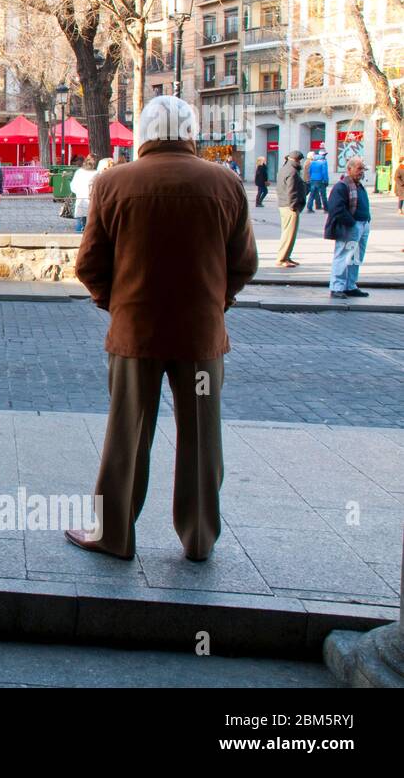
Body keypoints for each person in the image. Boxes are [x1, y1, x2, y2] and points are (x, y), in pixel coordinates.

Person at [70, 96, 257, 563]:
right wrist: (218, 302)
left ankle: (113, 534)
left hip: (135, 331)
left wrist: (114, 304)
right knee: (201, 439)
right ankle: (198, 538)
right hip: (200, 334)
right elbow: (244, 263)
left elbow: (89, 264)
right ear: (190, 133)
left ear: (144, 135)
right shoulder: (226, 183)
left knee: (126, 437)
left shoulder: (112, 182)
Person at [326, 156, 372, 299]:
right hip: (351, 226)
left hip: (362, 225)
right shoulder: (342, 186)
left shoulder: (358, 185)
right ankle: (337, 287)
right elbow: (336, 208)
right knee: (343, 256)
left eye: (362, 169)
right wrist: (352, 223)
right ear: (349, 169)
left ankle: (350, 286)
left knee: (356, 258)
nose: (361, 172)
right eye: (359, 169)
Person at [275, 150, 307, 268]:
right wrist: (294, 207)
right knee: (289, 234)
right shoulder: (292, 172)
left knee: (287, 233)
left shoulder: (284, 169)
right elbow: (291, 191)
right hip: (290, 207)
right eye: (300, 160)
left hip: (284, 205)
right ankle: (282, 258)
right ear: (297, 160)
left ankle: (286, 256)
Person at [70, 155, 99, 234]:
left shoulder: (78, 172)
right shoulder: (97, 174)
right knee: (92, 229)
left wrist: (80, 192)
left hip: (80, 202)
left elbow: (73, 187)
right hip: (93, 204)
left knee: (80, 227)